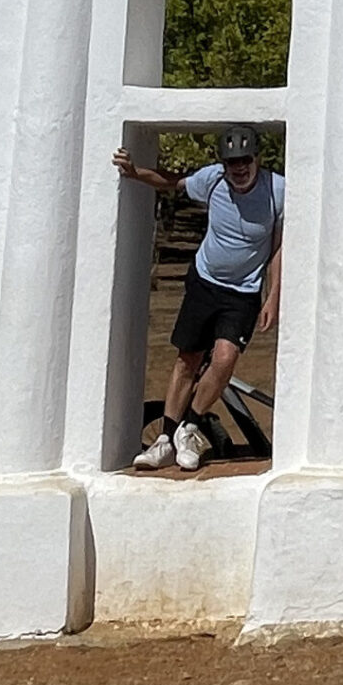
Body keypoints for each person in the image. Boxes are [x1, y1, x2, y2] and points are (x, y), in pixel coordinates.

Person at [114, 125, 283, 473]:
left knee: (224, 358)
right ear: (224, 164)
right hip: (204, 282)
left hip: (244, 291)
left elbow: (279, 246)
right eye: (232, 162)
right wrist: (135, 173)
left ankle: (190, 427)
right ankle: (165, 440)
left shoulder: (277, 190)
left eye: (245, 161)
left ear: (257, 159)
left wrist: (273, 296)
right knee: (186, 359)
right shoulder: (213, 181)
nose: (239, 169)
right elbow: (171, 180)